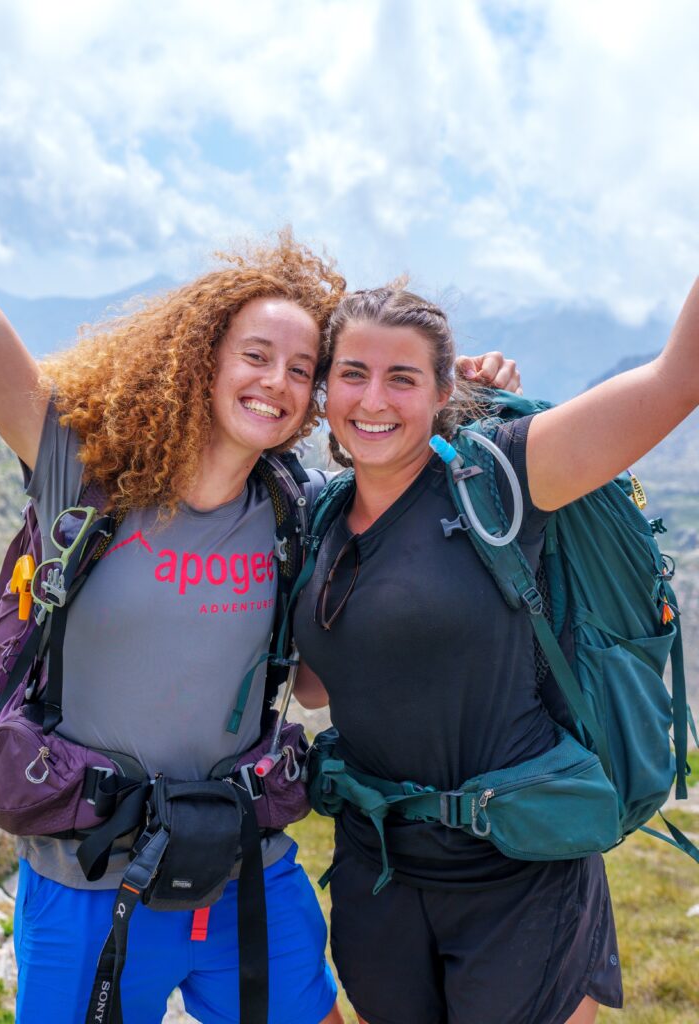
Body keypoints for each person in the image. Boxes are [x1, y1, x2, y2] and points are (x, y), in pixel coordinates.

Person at [0, 160, 517, 1023]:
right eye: (255, 356)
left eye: (301, 368)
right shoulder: (78, 470)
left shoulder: (300, 511)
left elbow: (405, 459)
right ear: (202, 359)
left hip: (247, 871)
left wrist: (472, 399)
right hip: (86, 885)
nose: (276, 382)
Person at [293, 283, 699, 1024]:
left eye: (403, 377)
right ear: (325, 390)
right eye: (353, 373)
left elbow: (677, 379)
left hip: (520, 872)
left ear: (443, 391)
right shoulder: (319, 515)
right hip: (378, 874)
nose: (373, 399)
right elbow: (318, 688)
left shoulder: (503, 475)